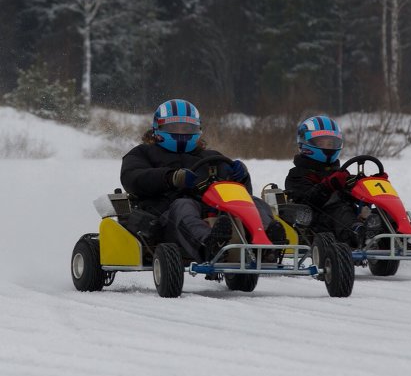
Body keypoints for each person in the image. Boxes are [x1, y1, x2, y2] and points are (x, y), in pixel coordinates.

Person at [120, 98, 285, 262]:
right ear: (158, 128)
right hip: (165, 214)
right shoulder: (143, 153)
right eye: (174, 127)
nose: (181, 132)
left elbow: (239, 194)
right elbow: (132, 178)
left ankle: (266, 244)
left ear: (197, 129)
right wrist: (171, 178)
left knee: (255, 202)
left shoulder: (212, 157)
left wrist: (241, 177)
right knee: (184, 205)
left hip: (214, 211)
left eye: (187, 127)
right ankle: (210, 245)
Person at [284, 115, 362, 247]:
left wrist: (364, 184)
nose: (327, 147)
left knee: (378, 209)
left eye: (330, 143)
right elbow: (306, 201)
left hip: (346, 218)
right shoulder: (297, 174)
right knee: (340, 209)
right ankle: (359, 234)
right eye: (321, 143)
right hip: (317, 223)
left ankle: (398, 234)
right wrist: (328, 186)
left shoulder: (340, 173)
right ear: (305, 143)